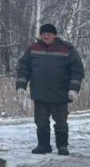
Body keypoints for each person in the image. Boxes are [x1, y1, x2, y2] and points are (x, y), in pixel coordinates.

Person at [16, 22, 84, 155]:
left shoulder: (67, 49)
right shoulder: (32, 49)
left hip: (60, 94)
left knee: (61, 123)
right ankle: (43, 145)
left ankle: (62, 146)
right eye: (43, 34)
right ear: (40, 35)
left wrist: (74, 89)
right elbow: (23, 68)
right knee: (41, 122)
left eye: (49, 34)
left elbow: (77, 71)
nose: (46, 36)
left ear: (55, 35)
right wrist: (20, 86)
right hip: (40, 94)